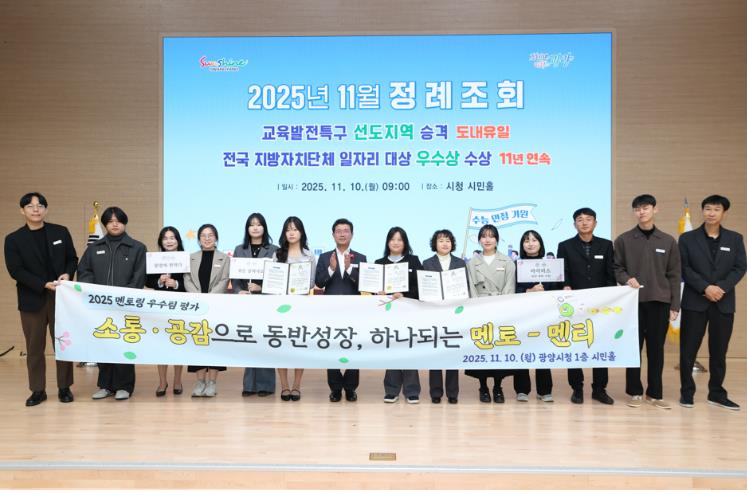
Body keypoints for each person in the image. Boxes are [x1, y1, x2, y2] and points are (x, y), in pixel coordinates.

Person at [4, 192, 78, 406]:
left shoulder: (60, 231)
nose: (35, 209)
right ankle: (38, 390)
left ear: (46, 209)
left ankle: (64, 387)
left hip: (61, 298)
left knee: (63, 344)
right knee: (34, 348)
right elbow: (16, 270)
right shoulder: (13, 239)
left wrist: (67, 274)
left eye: (40, 205)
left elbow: (72, 258)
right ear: (22, 211)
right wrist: (42, 284)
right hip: (32, 299)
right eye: (30, 206)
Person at [679, 195, 746, 410]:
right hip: (694, 301)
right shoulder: (687, 238)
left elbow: (740, 267)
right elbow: (684, 267)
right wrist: (705, 287)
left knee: (719, 351)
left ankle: (716, 393)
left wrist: (721, 288)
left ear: (724, 213)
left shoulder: (735, 239)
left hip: (723, 302)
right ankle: (686, 393)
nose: (711, 213)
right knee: (688, 350)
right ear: (702, 211)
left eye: (716, 209)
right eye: (707, 208)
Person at [614, 195, 681, 410]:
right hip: (632, 303)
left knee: (656, 350)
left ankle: (655, 393)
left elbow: (674, 275)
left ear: (655, 209)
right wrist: (626, 279)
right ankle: (634, 392)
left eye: (645, 208)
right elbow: (617, 268)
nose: (641, 212)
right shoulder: (624, 240)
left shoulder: (668, 241)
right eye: (637, 209)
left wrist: (675, 305)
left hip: (660, 302)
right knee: (633, 349)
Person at [78, 206, 147, 401]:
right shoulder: (94, 248)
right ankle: (105, 385)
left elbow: (139, 276)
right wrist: (94, 293)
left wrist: (123, 297)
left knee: (124, 345)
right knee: (103, 344)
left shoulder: (137, 248)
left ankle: (124, 386)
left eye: (118, 221)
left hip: (125, 306)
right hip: (100, 306)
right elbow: (84, 271)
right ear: (105, 224)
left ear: (124, 223)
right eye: (110, 221)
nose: (114, 224)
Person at [557, 207, 615, 405]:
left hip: (600, 306)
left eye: (588, 219)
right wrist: (565, 286)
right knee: (575, 345)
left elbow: (610, 275)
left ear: (595, 223)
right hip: (574, 305)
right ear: (574, 224)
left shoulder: (606, 245)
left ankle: (599, 389)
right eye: (580, 220)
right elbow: (563, 272)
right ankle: (577, 388)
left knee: (600, 345)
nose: (584, 222)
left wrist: (608, 298)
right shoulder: (565, 246)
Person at [315, 218, 367, 402]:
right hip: (331, 310)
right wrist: (331, 269)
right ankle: (335, 388)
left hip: (354, 310)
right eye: (339, 231)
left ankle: (351, 388)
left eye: (346, 231)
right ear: (333, 235)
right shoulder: (324, 257)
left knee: (354, 347)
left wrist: (349, 269)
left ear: (352, 234)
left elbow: (364, 284)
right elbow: (319, 282)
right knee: (332, 348)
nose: (342, 234)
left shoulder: (361, 258)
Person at [465, 224, 516, 403]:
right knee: (482, 347)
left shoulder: (507, 262)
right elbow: (471, 289)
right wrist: (478, 307)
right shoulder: (472, 263)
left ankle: (498, 386)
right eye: (484, 236)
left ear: (497, 239)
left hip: (501, 310)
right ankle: (483, 386)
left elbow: (510, 287)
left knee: (498, 349)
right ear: (479, 240)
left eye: (491, 236)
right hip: (480, 310)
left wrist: (501, 307)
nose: (487, 240)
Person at [232, 213, 278, 398]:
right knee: (249, 342)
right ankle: (249, 385)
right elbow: (235, 278)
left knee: (265, 342)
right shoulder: (239, 249)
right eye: (252, 225)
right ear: (247, 229)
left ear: (264, 228)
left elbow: (277, 279)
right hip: (246, 304)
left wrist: (261, 288)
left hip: (266, 303)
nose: (255, 228)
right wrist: (238, 291)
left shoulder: (274, 250)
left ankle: (266, 385)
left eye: (259, 224)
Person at [376, 226, 423, 404]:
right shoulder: (379, 263)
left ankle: (412, 391)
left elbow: (420, 287)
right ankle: (391, 389)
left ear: (405, 243)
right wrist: (378, 292)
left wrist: (404, 294)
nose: (396, 243)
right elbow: (371, 289)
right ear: (387, 242)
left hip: (409, 312)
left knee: (409, 350)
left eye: (399, 239)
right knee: (392, 350)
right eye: (392, 239)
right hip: (388, 314)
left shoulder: (413, 261)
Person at [183, 224, 230, 398]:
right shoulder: (191, 258)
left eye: (211, 235)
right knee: (198, 343)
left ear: (216, 238)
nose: (207, 238)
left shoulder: (224, 258)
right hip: (196, 307)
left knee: (214, 344)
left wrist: (209, 298)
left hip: (216, 307)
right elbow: (187, 279)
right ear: (198, 239)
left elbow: (224, 280)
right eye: (203, 235)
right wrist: (198, 298)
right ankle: (200, 382)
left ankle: (212, 383)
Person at [273, 217, 316, 401]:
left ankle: (297, 385)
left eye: (295, 229)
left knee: (299, 346)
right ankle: (284, 386)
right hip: (281, 308)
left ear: (301, 232)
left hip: (301, 307)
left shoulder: (309, 255)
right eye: (288, 229)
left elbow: (312, 282)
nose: (291, 233)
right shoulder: (277, 255)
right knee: (280, 346)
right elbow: (273, 280)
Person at [422, 229, 465, 404]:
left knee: (452, 352)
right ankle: (436, 392)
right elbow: (424, 289)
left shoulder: (460, 263)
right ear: (435, 244)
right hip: (435, 313)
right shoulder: (427, 263)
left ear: (452, 243)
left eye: (448, 240)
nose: (445, 243)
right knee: (436, 353)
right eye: (441, 241)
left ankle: (453, 393)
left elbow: (465, 288)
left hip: (454, 314)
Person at [514, 229, 556, 403]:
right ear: (522, 245)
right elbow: (513, 290)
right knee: (522, 349)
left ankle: (544, 390)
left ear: (540, 243)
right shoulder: (516, 265)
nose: (530, 243)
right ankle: (522, 389)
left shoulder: (550, 265)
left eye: (534, 240)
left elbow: (557, 289)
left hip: (544, 313)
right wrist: (528, 291)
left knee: (543, 349)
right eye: (526, 240)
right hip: (522, 314)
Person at [145, 226, 186, 397]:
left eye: (172, 238)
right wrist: (159, 282)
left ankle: (177, 381)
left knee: (178, 344)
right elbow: (147, 281)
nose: (169, 241)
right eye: (165, 238)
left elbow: (191, 283)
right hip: (160, 308)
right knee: (160, 346)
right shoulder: (155, 259)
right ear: (161, 242)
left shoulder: (185, 259)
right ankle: (162, 382)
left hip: (180, 307)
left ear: (178, 241)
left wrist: (176, 284)